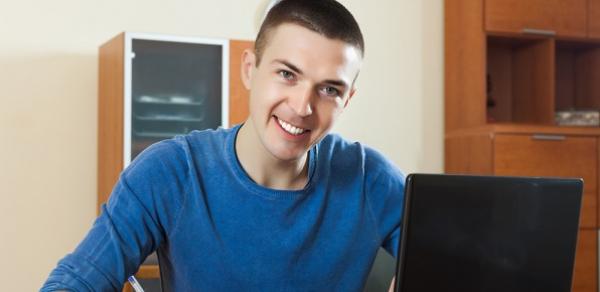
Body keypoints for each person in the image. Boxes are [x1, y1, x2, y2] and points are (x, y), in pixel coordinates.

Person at [41, 0, 405, 291]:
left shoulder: (370, 178)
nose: (302, 106)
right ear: (250, 68)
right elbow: (73, 282)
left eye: (329, 89)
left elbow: (453, 262)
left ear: (348, 99)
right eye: (287, 74)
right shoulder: (170, 171)